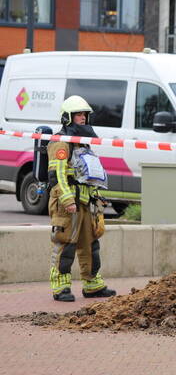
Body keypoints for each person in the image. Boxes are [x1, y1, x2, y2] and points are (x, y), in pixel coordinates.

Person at [47, 96, 116, 302]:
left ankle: (93, 284)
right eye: (78, 114)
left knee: (91, 244)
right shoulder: (61, 142)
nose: (83, 118)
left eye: (85, 114)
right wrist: (68, 200)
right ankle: (61, 286)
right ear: (68, 117)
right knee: (66, 243)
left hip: (86, 202)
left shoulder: (83, 143)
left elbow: (88, 173)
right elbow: (57, 175)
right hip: (66, 204)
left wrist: (96, 197)